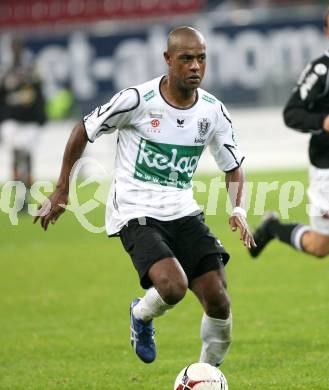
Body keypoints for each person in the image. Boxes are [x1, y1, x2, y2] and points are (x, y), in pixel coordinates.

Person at [34, 26, 255, 366]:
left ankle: (205, 377)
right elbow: (83, 129)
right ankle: (141, 314)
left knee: (219, 301)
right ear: (168, 60)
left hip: (183, 210)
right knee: (172, 287)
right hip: (136, 211)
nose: (195, 66)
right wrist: (62, 189)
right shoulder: (137, 100)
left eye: (201, 59)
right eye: (186, 59)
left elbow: (233, 166)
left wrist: (238, 210)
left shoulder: (212, 112)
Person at [249, 9, 329, 259]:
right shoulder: (321, 71)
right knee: (320, 247)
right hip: (326, 165)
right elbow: (292, 113)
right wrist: (323, 121)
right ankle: (273, 228)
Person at [0, 38, 47, 208]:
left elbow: (40, 92)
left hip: (29, 121)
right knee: (16, 154)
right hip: (11, 120)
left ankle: (25, 194)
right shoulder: (5, 70)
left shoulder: (31, 68)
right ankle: (19, 194)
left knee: (26, 157)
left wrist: (42, 115)